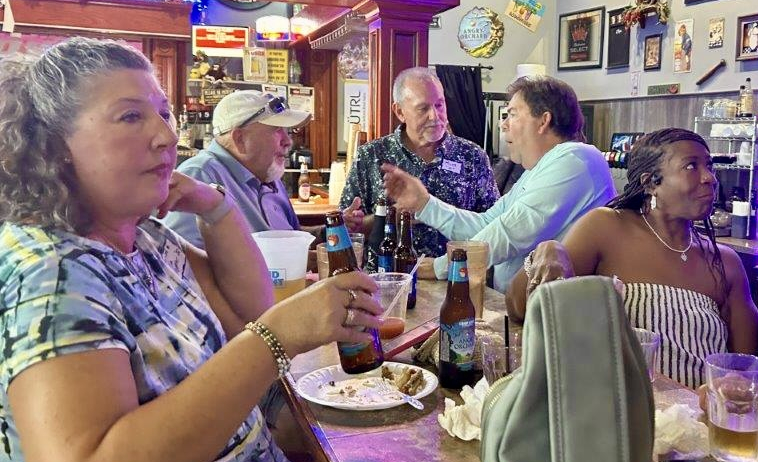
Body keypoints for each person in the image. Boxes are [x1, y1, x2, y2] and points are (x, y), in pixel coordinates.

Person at [0, 37, 381, 462]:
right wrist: (278, 338)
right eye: (131, 117)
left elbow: (249, 307)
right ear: (53, 144)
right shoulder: (53, 270)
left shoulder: (141, 236)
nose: (164, 136)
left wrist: (215, 206)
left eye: (162, 114)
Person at [506, 129, 758, 387]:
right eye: (691, 166)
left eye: (709, 166)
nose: (709, 178)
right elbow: (518, 307)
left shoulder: (724, 262)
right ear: (651, 183)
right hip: (620, 410)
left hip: (697, 418)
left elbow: (744, 372)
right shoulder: (607, 228)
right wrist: (548, 251)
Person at [382, 75, 614, 292]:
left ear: (543, 121)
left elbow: (508, 234)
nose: (503, 125)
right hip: (522, 309)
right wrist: (425, 205)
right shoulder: (539, 170)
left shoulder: (577, 159)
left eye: (512, 114)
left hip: (557, 322)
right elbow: (485, 225)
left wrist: (440, 267)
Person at [340, 67, 498, 257]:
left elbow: (493, 225)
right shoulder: (371, 156)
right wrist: (387, 217)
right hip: (388, 276)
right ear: (399, 111)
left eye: (439, 105)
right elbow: (349, 229)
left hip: (454, 275)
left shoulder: (472, 156)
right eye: (423, 108)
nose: (434, 116)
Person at [164, 89, 311, 248]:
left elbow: (290, 241)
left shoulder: (269, 175)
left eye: (287, 132)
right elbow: (182, 263)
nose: (288, 141)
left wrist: (335, 228)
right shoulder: (200, 175)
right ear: (240, 139)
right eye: (277, 131)